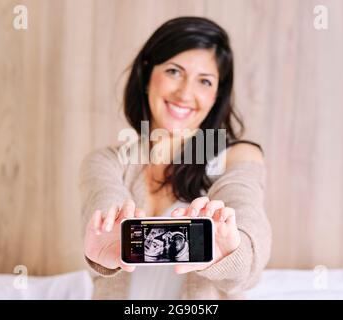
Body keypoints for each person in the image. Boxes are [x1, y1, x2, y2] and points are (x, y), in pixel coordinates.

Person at [79, 16, 272, 299]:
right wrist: (110, 243)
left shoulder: (237, 157)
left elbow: (250, 251)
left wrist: (228, 253)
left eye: (204, 81)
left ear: (217, 95)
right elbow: (106, 209)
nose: (185, 93)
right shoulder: (105, 161)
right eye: (173, 71)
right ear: (147, 76)